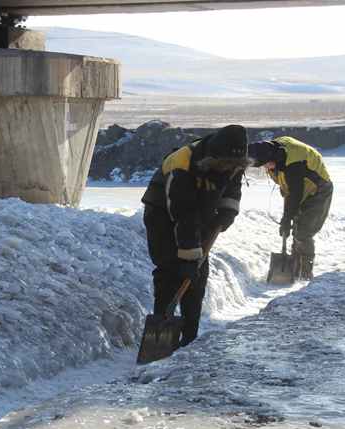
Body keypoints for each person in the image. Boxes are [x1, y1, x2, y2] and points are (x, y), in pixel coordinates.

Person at [140, 124, 249, 347]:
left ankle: (189, 335)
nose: (228, 169)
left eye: (233, 165)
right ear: (213, 157)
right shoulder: (182, 164)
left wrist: (228, 212)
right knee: (170, 270)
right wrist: (188, 256)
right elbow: (183, 213)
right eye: (224, 164)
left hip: (201, 210)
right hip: (162, 214)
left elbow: (232, 190)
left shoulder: (234, 162)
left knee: (197, 275)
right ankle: (162, 326)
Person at [248, 137, 332, 280]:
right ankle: (295, 266)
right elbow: (288, 190)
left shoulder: (294, 163)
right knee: (296, 228)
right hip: (298, 188)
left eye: (266, 164)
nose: (266, 168)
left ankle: (306, 273)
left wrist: (287, 219)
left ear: (272, 158)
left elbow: (295, 194)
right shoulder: (271, 152)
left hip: (318, 190)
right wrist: (287, 218)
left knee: (303, 232)